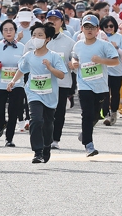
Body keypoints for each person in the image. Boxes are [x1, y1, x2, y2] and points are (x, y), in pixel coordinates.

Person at [10, 22, 66, 163]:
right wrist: (13, 81)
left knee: (48, 124)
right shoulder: (29, 56)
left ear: (47, 39)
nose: (36, 38)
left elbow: (61, 75)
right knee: (36, 120)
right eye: (34, 35)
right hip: (33, 93)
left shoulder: (54, 56)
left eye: (40, 35)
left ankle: (47, 145)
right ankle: (37, 152)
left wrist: (50, 67)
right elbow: (22, 69)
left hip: (49, 95)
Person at [69, 15, 119, 157]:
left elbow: (115, 61)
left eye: (92, 27)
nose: (89, 30)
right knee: (87, 114)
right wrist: (74, 62)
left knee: (97, 115)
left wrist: (100, 60)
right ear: (82, 29)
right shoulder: (78, 45)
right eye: (86, 27)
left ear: (97, 29)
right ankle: (89, 145)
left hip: (100, 86)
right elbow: (74, 57)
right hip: (84, 85)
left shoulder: (104, 45)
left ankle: (85, 133)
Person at [0, 19, 25, 147]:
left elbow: (26, 66)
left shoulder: (22, 47)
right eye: (5, 30)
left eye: (11, 29)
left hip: (17, 84)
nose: (8, 32)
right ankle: (1, 124)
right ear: (2, 32)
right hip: (0, 84)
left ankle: (9, 139)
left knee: (13, 112)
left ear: (15, 31)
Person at [44, 9, 76, 150]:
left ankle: (55, 139)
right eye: (50, 19)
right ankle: (46, 137)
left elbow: (74, 59)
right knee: (45, 112)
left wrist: (73, 64)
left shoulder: (69, 42)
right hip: (44, 82)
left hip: (62, 83)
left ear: (61, 22)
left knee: (59, 112)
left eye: (56, 19)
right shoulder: (40, 39)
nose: (52, 22)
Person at [100, 16, 122, 126]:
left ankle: (114, 113)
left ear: (115, 26)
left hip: (117, 71)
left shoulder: (120, 38)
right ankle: (106, 114)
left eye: (111, 26)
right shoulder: (100, 37)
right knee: (105, 93)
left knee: (115, 93)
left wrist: (116, 47)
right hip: (104, 70)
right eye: (106, 26)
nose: (108, 28)